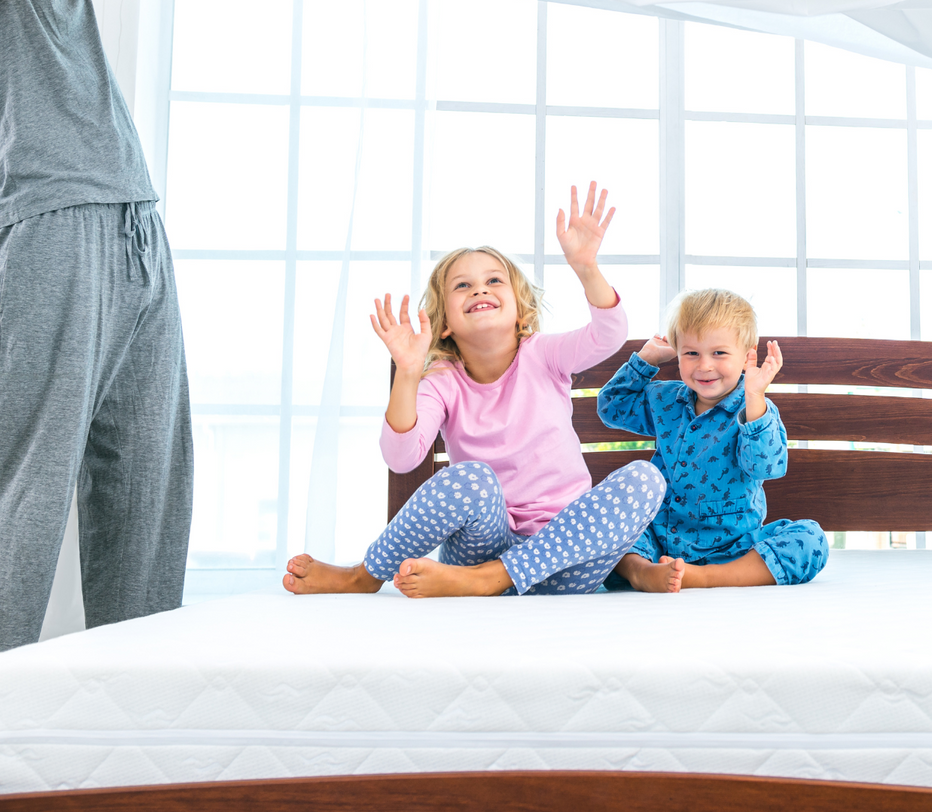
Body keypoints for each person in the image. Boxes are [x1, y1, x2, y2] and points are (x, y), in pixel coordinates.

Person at [0, 0, 235, 747]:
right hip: (50, 229)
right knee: (21, 505)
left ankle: (132, 746)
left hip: (134, 224)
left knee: (150, 491)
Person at [283, 182, 665, 597]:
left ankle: (495, 580)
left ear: (521, 309)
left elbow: (609, 334)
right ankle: (363, 576)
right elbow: (401, 456)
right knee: (470, 478)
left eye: (494, 280)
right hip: (481, 549)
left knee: (646, 478)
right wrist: (410, 372)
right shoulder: (443, 381)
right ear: (444, 322)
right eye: (462, 286)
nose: (479, 289)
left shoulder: (544, 354)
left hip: (563, 560)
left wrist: (586, 267)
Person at [597, 287, 828, 592]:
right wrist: (646, 359)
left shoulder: (755, 407)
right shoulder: (664, 399)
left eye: (719, 353)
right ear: (677, 352)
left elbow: (767, 467)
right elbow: (612, 406)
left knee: (810, 539)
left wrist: (755, 396)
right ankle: (640, 571)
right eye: (691, 353)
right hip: (657, 542)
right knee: (612, 520)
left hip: (735, 547)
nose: (704, 366)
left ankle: (702, 577)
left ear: (747, 355)